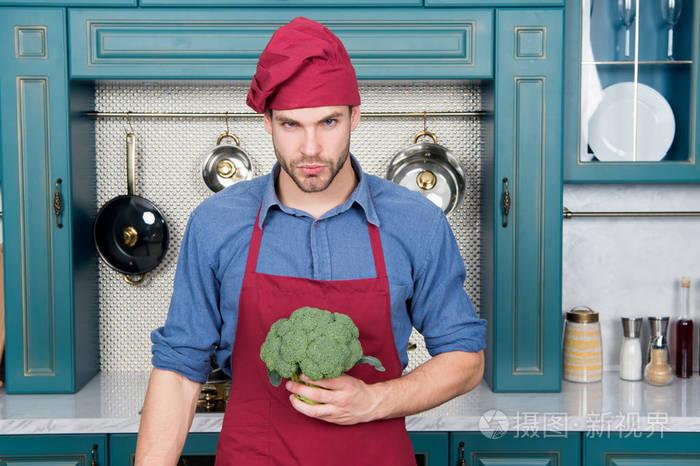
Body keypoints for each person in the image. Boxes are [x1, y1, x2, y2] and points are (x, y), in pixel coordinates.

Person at [135, 16, 486, 466]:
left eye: (328, 121)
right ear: (267, 122)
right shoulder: (216, 223)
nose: (311, 148)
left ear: (355, 116)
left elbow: (465, 359)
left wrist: (373, 401)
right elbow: (179, 370)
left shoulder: (416, 222)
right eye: (291, 125)